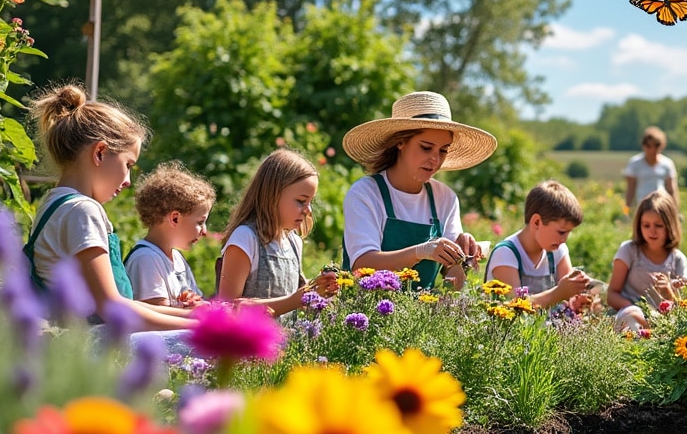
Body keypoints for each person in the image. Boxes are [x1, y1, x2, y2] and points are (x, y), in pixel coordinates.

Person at [23, 84, 194, 333]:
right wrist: (201, 328)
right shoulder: (83, 211)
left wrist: (191, 317)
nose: (128, 181)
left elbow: (122, 304)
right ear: (100, 152)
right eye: (128, 165)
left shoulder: (53, 203)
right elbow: (111, 307)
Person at [342, 91, 495, 291]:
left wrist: (461, 258)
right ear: (400, 142)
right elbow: (362, 264)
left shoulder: (445, 198)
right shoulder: (365, 193)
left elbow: (452, 280)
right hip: (365, 314)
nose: (435, 159)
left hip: (422, 316)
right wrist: (421, 251)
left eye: (443, 150)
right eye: (426, 147)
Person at [217, 149, 339, 315]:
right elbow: (227, 308)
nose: (308, 210)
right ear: (272, 195)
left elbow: (294, 295)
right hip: (250, 340)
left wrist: (319, 288)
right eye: (301, 201)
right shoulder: (245, 238)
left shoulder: (293, 242)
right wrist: (295, 300)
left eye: (310, 202)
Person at [485, 180, 593, 309]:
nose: (564, 239)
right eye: (561, 232)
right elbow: (513, 309)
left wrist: (576, 298)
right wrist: (559, 293)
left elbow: (567, 294)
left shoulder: (558, 250)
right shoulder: (506, 253)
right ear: (536, 222)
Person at [126, 161, 215, 308]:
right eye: (200, 222)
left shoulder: (177, 258)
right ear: (175, 218)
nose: (204, 231)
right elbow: (157, 316)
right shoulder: (146, 259)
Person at [607, 190, 687, 330]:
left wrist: (668, 291)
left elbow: (682, 306)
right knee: (632, 318)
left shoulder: (677, 259)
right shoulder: (629, 251)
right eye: (646, 225)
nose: (652, 231)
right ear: (639, 225)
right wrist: (635, 311)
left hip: (664, 320)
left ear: (670, 226)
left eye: (658, 225)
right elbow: (612, 294)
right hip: (628, 316)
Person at [623, 126, 679, 211]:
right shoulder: (634, 163)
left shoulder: (667, 163)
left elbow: (671, 190)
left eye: (656, 145)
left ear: (662, 146)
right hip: (642, 206)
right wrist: (626, 211)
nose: (652, 150)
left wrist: (675, 211)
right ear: (643, 146)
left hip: (661, 206)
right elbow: (630, 190)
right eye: (648, 146)